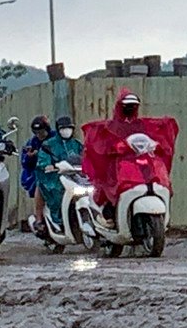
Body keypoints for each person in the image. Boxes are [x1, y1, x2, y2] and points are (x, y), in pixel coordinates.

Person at [81, 90, 178, 223]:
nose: (130, 108)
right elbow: (101, 142)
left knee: (156, 176)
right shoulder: (110, 127)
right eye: (127, 105)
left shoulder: (142, 124)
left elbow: (157, 130)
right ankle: (109, 216)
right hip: (118, 166)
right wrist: (114, 147)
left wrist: (158, 142)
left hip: (140, 164)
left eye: (133, 105)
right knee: (112, 188)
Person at [34, 115, 84, 232]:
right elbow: (43, 160)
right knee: (52, 192)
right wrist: (48, 165)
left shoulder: (77, 144)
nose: (66, 131)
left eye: (69, 128)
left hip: (76, 177)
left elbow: (85, 157)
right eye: (63, 129)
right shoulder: (48, 144)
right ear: (58, 130)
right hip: (55, 178)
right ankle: (50, 220)